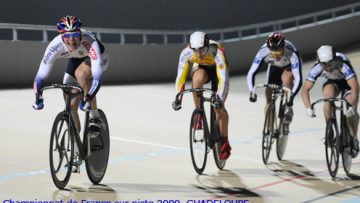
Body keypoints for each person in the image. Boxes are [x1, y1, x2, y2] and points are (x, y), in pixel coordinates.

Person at [32, 15, 109, 166]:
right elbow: (40, 75)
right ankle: (76, 148)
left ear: (80, 33)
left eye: (74, 35)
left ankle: (95, 119)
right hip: (74, 60)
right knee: (69, 98)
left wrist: (88, 97)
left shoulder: (89, 42)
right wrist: (38, 97)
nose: (72, 40)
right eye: (67, 36)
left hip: (98, 59)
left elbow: (97, 77)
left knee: (82, 75)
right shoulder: (55, 46)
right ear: (61, 36)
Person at [172, 31, 231, 160]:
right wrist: (178, 98)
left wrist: (219, 99)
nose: (198, 53)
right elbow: (180, 78)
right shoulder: (186, 53)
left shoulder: (217, 52)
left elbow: (223, 80)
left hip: (217, 70)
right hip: (202, 68)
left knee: (218, 108)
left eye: (202, 49)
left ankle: (224, 142)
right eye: (195, 50)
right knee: (197, 80)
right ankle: (198, 112)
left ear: (207, 45)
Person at [301, 45, 359, 157]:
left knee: (350, 109)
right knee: (327, 99)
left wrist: (352, 106)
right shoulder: (317, 67)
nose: (327, 67)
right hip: (332, 82)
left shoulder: (342, 64)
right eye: (324, 64)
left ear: (334, 59)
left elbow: (355, 88)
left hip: (347, 83)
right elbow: (305, 90)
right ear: (319, 62)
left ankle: (354, 139)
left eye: (330, 63)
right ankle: (330, 130)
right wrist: (308, 107)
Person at [247, 32, 303, 134]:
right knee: (268, 99)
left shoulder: (292, 53)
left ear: (283, 47)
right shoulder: (263, 51)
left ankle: (288, 107)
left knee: (286, 79)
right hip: (274, 67)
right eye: (273, 53)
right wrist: (252, 91)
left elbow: (299, 79)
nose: (276, 56)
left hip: (288, 66)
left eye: (278, 53)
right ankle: (269, 128)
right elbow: (251, 73)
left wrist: (292, 97)